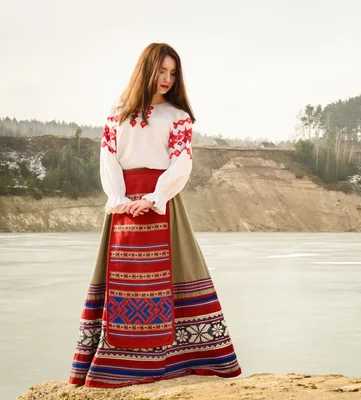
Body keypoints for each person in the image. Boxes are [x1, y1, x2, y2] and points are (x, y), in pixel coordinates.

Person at [68, 43, 242, 388]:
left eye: (173, 73)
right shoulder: (118, 113)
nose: (167, 78)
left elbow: (182, 162)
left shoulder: (178, 117)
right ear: (146, 69)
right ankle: (114, 363)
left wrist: (154, 197)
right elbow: (109, 158)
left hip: (164, 201)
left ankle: (179, 361)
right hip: (123, 203)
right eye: (161, 70)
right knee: (124, 279)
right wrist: (118, 197)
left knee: (172, 275)